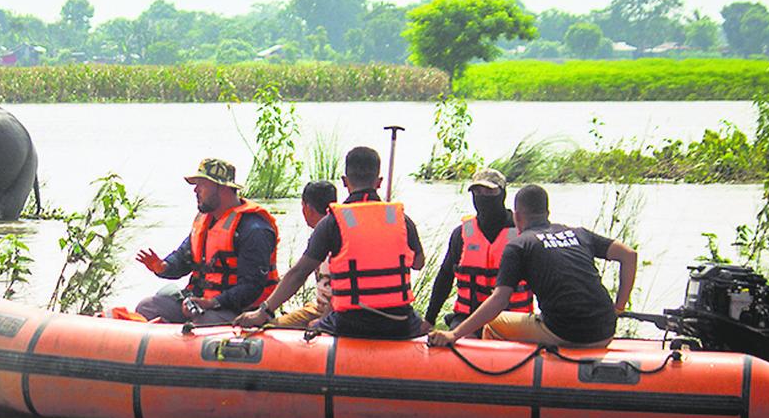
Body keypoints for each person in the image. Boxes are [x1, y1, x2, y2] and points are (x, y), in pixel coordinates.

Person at [237, 146, 427, 338]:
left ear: (345, 181)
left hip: (349, 323)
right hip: (399, 322)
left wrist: (264, 312)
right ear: (379, 182)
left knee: (312, 325)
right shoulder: (401, 219)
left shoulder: (333, 222)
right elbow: (418, 263)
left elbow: (299, 273)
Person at [427, 184, 637, 348]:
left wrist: (454, 334)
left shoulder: (520, 244)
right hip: (606, 329)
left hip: (566, 332)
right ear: (547, 212)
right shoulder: (579, 233)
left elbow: (500, 300)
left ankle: (502, 386)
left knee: (492, 323)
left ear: (517, 216)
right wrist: (618, 307)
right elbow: (629, 255)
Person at [135, 158, 279, 325]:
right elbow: (183, 257)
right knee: (147, 307)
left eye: (202, 184)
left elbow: (251, 288)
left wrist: (213, 303)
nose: (195, 190)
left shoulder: (254, 229)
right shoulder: (205, 222)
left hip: (237, 309)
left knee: (204, 321)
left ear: (222, 187)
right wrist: (163, 267)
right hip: (198, 304)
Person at [423, 168, 533, 334]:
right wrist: (429, 319)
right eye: (477, 192)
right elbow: (445, 278)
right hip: (468, 318)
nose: (482, 197)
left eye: (489, 192)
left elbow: (544, 280)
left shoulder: (523, 233)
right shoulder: (461, 234)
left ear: (502, 194)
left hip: (514, 318)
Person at [273, 180, 338, 328]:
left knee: (272, 327)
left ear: (307, 208)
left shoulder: (327, 236)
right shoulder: (340, 231)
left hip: (330, 311)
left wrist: (323, 319)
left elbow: (299, 273)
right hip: (320, 307)